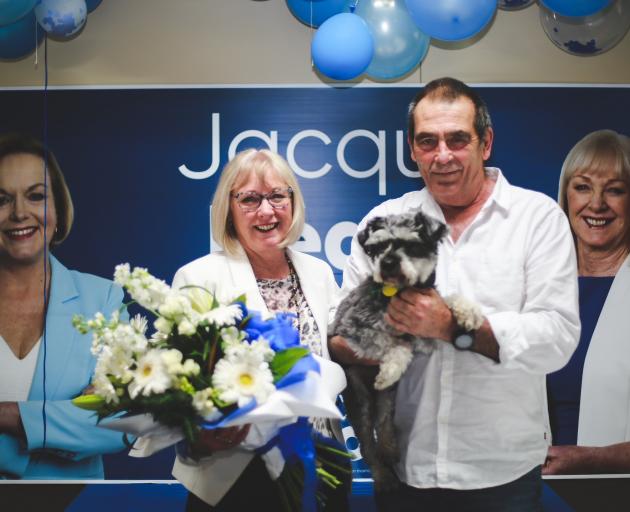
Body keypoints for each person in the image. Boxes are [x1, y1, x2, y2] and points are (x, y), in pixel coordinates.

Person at [329, 77, 580, 511]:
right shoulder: (384, 221)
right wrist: (389, 339)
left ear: (485, 143)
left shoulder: (537, 218)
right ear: (412, 149)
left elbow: (556, 338)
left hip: (503, 475)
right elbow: (338, 338)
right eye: (428, 141)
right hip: (407, 472)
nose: (442, 156)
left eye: (457, 140)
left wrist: (454, 328)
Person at [171, 148, 349, 511]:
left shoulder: (319, 274)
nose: (266, 211)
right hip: (233, 477)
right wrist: (204, 435)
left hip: (321, 470)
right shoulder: (198, 278)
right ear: (229, 209)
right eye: (250, 199)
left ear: (293, 202)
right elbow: (175, 387)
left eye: (277, 196)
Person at [0, 133, 127, 479]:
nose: (19, 213)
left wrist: (10, 415)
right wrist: (65, 419)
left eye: (36, 196)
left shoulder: (104, 300)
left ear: (57, 209)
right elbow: (92, 422)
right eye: (2, 199)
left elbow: (123, 422)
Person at [545, 129, 630, 475]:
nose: (596, 204)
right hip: (532, 496)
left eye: (615, 190)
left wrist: (593, 461)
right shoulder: (536, 286)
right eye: (582, 187)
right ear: (566, 196)